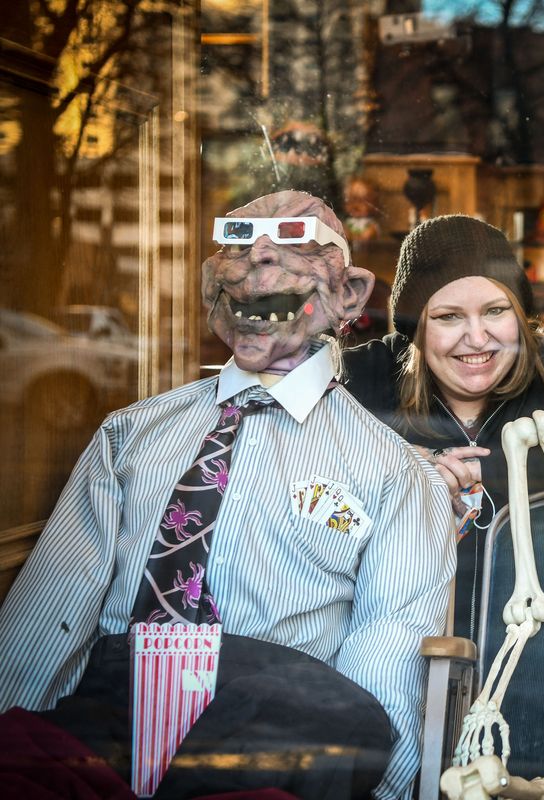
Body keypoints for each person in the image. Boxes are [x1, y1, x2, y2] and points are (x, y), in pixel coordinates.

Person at [0, 190, 454, 799]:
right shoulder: (131, 434)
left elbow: (387, 645)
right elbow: (56, 603)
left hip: (269, 738)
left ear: (349, 294)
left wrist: (377, 788)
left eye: (290, 244)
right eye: (238, 244)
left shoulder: (391, 471)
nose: (258, 259)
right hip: (103, 723)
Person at [341, 214, 544, 641]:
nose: (477, 337)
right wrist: (399, 465)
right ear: (417, 329)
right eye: (449, 316)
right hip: (400, 657)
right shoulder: (362, 380)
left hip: (543, 657)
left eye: (495, 310)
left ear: (521, 316)